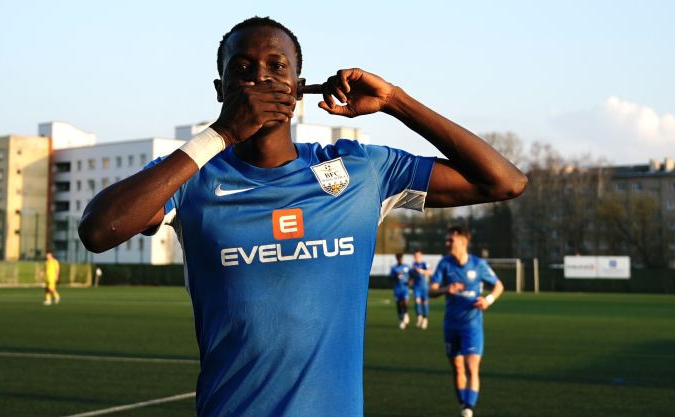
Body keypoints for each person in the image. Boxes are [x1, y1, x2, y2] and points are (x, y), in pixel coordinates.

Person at [78, 16, 526, 417]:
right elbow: (99, 230)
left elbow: (504, 182)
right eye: (242, 68)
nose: (260, 77)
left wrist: (395, 100)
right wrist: (222, 133)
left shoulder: (360, 170)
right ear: (220, 90)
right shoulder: (193, 176)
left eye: (277, 66)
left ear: (299, 87)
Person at [429, 226, 505, 417]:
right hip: (451, 324)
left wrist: (488, 300)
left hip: (472, 325)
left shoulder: (478, 264)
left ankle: (468, 408)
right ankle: (464, 405)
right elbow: (431, 290)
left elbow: (498, 286)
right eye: (447, 240)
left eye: (450, 240)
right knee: (457, 367)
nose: (447, 243)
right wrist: (446, 289)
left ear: (463, 241)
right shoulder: (445, 264)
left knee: (471, 367)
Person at [410, 249, 432, 329]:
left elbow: (429, 272)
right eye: (415, 256)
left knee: (425, 302)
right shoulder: (413, 265)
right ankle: (419, 317)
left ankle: (425, 319)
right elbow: (411, 275)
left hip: (424, 286)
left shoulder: (425, 264)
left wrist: (421, 271)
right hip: (417, 287)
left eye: (418, 255)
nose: (417, 257)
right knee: (417, 301)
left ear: (421, 256)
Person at [390, 253, 411, 330]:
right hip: (397, 288)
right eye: (398, 258)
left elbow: (412, 275)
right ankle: (401, 320)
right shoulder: (394, 268)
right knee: (399, 304)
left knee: (405, 302)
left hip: (405, 288)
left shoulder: (407, 267)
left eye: (401, 258)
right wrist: (396, 276)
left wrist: (410, 281)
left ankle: (405, 314)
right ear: (397, 259)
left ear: (402, 258)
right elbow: (390, 278)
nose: (400, 260)